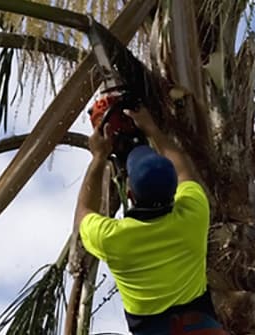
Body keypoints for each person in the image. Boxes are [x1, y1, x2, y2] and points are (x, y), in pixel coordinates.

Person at [74, 105, 228, 335]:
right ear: (174, 189)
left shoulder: (113, 239)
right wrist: (153, 129)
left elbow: (83, 212)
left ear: (130, 194)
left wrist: (98, 157)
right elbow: (184, 169)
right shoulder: (193, 215)